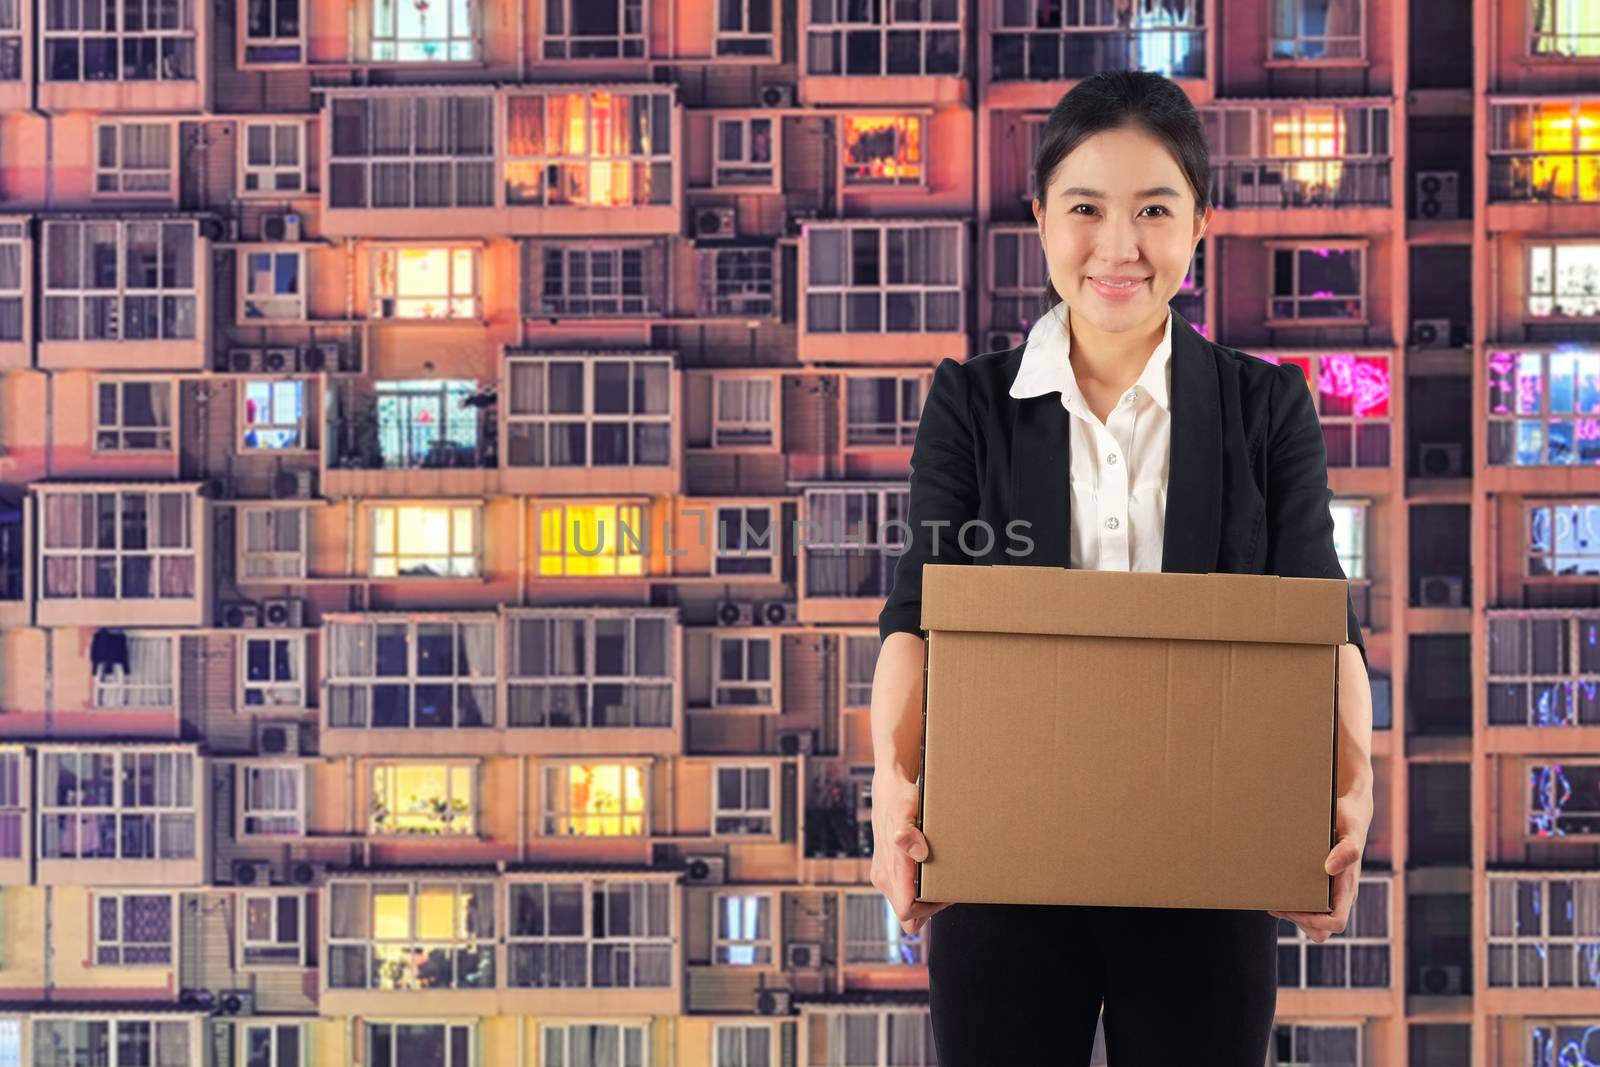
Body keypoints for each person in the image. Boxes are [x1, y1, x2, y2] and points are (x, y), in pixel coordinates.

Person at [868, 69, 1375, 1066]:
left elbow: (1324, 624)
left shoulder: (1263, 408)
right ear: (1040, 218)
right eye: (1085, 208)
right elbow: (916, 613)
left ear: (1198, 222)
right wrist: (892, 789)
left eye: (1153, 208)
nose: (1118, 245)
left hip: (1209, 864)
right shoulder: (971, 404)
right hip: (1002, 863)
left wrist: (1352, 792)